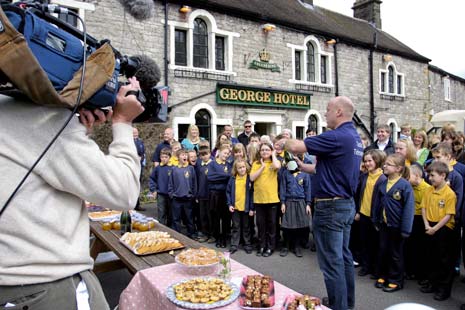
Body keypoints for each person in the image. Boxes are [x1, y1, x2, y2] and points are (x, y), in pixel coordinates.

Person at [0, 78, 144, 309]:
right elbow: (124, 191)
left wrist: (78, 133)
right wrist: (122, 121)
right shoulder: (39, 116)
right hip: (47, 287)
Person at [285, 96, 363, 310]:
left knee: (332, 263)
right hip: (345, 204)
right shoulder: (353, 137)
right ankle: (345, 302)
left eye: (328, 109)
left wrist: (283, 141)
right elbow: (326, 170)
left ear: (339, 112)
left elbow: (297, 145)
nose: (325, 113)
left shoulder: (336, 136)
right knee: (344, 258)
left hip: (330, 207)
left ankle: (339, 306)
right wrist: (303, 167)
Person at [372, 153, 414, 293]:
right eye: (385, 163)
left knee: (396, 254)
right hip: (384, 224)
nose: (385, 166)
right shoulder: (383, 183)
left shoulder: (404, 186)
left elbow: (408, 209)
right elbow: (377, 203)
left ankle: (396, 280)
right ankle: (383, 275)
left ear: (398, 169)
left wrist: (406, 229)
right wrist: (375, 219)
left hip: (397, 227)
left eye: (389, 164)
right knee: (383, 250)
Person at [420, 161, 457, 301]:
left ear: (443, 175)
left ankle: (444, 289)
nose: (430, 178)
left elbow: (449, 215)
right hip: (429, 225)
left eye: (433, 175)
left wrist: (435, 228)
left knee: (444, 261)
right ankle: (432, 283)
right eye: (429, 175)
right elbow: (423, 207)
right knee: (431, 257)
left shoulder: (450, 194)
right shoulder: (429, 190)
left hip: (443, 228)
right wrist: (427, 225)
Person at [355, 149, 387, 278]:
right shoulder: (364, 177)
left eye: (370, 161)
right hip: (363, 214)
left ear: (377, 161)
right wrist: (357, 211)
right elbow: (358, 196)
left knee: (375, 244)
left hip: (375, 217)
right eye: (366, 161)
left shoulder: (383, 179)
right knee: (364, 242)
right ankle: (366, 266)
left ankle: (375, 269)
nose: (367, 164)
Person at [250, 142, 281, 257]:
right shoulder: (256, 163)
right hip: (259, 200)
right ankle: (262, 245)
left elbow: (277, 166)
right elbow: (252, 178)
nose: (264, 152)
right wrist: (262, 167)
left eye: (267, 150)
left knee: (272, 225)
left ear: (271, 151)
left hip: (272, 199)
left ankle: (270, 247)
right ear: (259, 152)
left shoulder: (274, 163)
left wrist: (273, 155)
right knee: (261, 225)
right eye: (262, 150)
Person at [279, 157, 312, 258]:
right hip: (289, 202)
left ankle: (297, 246)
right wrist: (283, 202)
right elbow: (283, 188)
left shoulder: (304, 174)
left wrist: (308, 204)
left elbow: (308, 189)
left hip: (300, 201)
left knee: (299, 226)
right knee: (287, 225)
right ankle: (286, 245)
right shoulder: (286, 174)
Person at [405, 163, 430, 282]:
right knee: (410, 246)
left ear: (416, 176)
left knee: (421, 248)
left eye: (408, 175)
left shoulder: (427, 189)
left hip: (421, 219)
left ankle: (421, 274)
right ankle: (410, 271)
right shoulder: (409, 187)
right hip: (411, 218)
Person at [226, 159, 254, 254]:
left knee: (246, 227)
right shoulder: (233, 179)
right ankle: (234, 245)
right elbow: (228, 192)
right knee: (235, 227)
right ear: (236, 169)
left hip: (246, 208)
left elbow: (252, 194)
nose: (242, 169)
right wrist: (229, 204)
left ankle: (247, 244)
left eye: (243, 167)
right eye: (239, 168)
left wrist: (251, 208)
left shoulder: (249, 179)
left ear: (246, 167)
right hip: (236, 207)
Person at [168, 148, 197, 238]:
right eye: (182, 155)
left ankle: (191, 234)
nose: (184, 156)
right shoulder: (174, 169)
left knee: (189, 218)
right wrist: (171, 194)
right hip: (176, 198)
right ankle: (177, 235)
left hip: (188, 198)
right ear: (178, 157)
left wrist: (193, 195)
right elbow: (170, 183)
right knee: (176, 218)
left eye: (185, 155)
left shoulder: (191, 169)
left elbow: (194, 183)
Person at [207, 145, 232, 248]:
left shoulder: (228, 165)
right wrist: (225, 176)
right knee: (216, 217)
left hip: (225, 194)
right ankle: (217, 237)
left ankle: (224, 237)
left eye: (228, 154)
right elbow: (210, 177)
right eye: (224, 153)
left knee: (226, 217)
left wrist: (219, 176)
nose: (226, 155)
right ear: (219, 152)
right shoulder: (212, 164)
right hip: (215, 194)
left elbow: (231, 177)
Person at [149, 148, 172, 226]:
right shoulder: (157, 168)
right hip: (161, 193)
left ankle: (170, 229)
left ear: (170, 157)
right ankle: (161, 227)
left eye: (166, 157)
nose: (164, 159)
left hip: (171, 194)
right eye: (162, 157)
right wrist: (153, 190)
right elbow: (152, 179)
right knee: (161, 211)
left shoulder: (173, 168)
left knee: (170, 213)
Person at [195, 146, 212, 243]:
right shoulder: (199, 166)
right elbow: (197, 180)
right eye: (202, 155)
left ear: (209, 154)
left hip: (210, 195)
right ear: (200, 156)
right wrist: (197, 195)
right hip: (201, 195)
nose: (204, 157)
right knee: (203, 216)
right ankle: (205, 234)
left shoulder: (213, 164)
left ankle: (212, 234)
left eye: (206, 154)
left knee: (210, 216)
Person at [133, 127, 146, 211]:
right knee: (131, 186)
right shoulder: (128, 142)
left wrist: (141, 158)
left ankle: (137, 205)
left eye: (136, 132)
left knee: (137, 186)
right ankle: (131, 205)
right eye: (133, 132)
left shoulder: (140, 141)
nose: (135, 134)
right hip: (132, 167)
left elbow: (143, 152)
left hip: (139, 167)